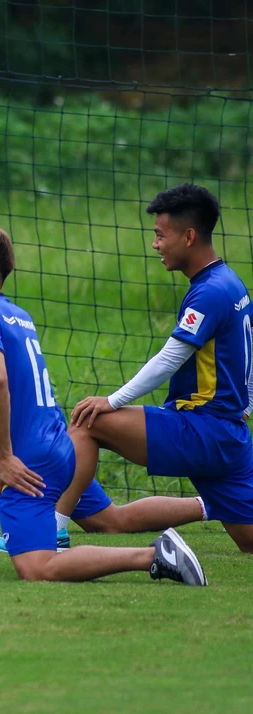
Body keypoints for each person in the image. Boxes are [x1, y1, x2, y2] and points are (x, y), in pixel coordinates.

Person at [0, 225, 206, 585]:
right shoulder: (16, 315)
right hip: (57, 447)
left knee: (37, 567)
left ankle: (153, 556)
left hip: (28, 459)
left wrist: (2, 456)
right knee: (94, 524)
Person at [64, 184, 253, 553]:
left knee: (89, 422)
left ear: (189, 236)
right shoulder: (231, 283)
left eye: (159, 235)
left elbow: (169, 359)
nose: (155, 244)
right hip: (230, 434)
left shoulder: (209, 292)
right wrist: (245, 407)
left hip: (203, 430)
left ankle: (49, 531)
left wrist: (112, 400)